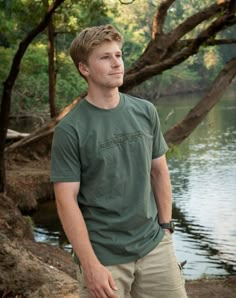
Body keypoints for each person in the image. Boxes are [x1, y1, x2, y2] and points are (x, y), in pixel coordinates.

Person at [50, 24, 187, 298]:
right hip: (104, 256)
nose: (117, 63)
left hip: (154, 245)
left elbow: (159, 172)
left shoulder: (145, 111)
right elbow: (66, 201)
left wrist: (166, 227)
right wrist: (90, 264)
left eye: (119, 55)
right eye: (105, 57)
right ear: (84, 69)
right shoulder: (70, 129)